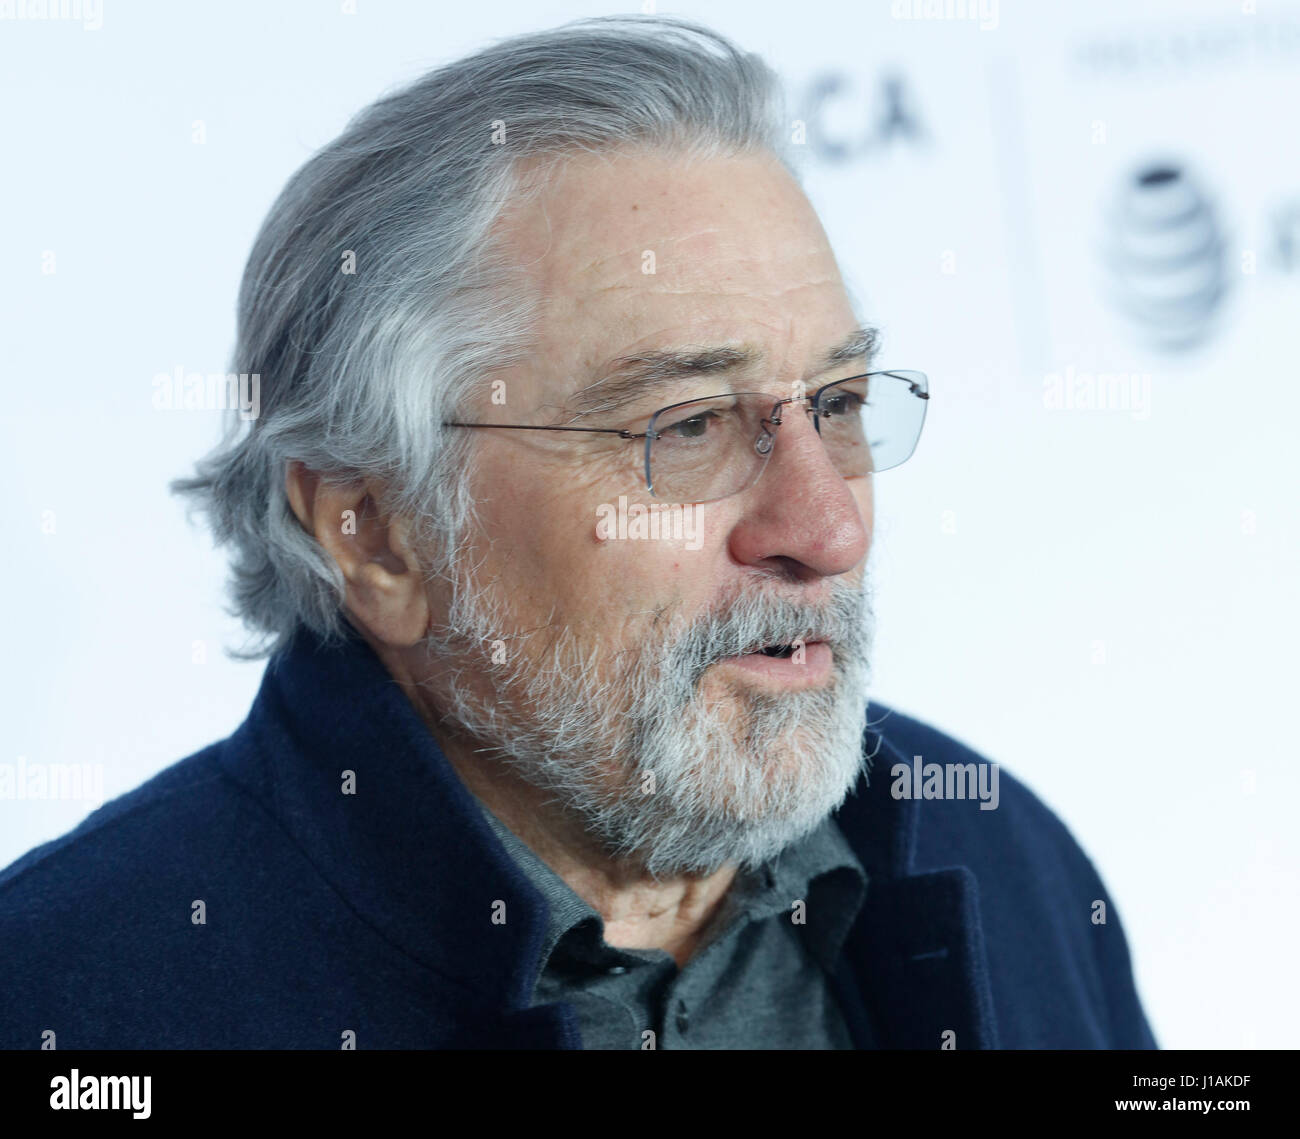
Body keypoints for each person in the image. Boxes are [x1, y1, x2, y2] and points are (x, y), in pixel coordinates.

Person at [0, 15, 1155, 1050]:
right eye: (690, 424)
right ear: (377, 533)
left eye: (839, 405)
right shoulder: (65, 993)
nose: (827, 524)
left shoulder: (990, 854)